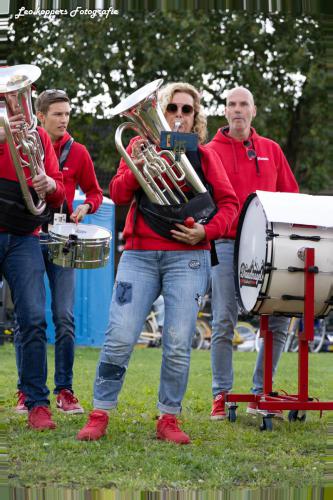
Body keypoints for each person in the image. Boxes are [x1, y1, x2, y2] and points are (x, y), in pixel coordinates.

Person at [77, 81, 239, 444]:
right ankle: (100, 411)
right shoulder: (137, 145)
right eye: (173, 108)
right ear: (162, 110)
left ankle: (169, 418)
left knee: (179, 340)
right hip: (139, 254)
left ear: (195, 117)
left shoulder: (204, 154)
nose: (179, 116)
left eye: (187, 110)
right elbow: (117, 195)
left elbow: (230, 205)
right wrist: (136, 163)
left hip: (189, 258)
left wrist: (206, 233)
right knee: (119, 335)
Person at [205, 86, 299, 420]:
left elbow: (291, 197)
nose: (238, 110)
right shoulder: (208, 151)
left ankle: (261, 393)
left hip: (270, 246)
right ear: (225, 111)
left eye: (244, 104)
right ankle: (222, 393)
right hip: (227, 244)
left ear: (254, 110)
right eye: (232, 104)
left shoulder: (271, 150)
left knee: (278, 319)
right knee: (223, 320)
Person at [14, 89, 103, 415]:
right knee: (27, 319)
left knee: (64, 317)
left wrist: (87, 206)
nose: (64, 119)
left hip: (63, 238)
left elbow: (95, 191)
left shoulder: (78, 152)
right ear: (40, 116)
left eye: (67, 113)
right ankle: (26, 392)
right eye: (57, 114)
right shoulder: (24, 145)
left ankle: (65, 390)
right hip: (29, 238)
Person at [0, 77, 65, 429]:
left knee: (34, 319)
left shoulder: (38, 138)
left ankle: (38, 403)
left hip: (24, 236)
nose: (15, 107)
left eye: (19, 98)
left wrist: (51, 185)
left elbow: (58, 192)